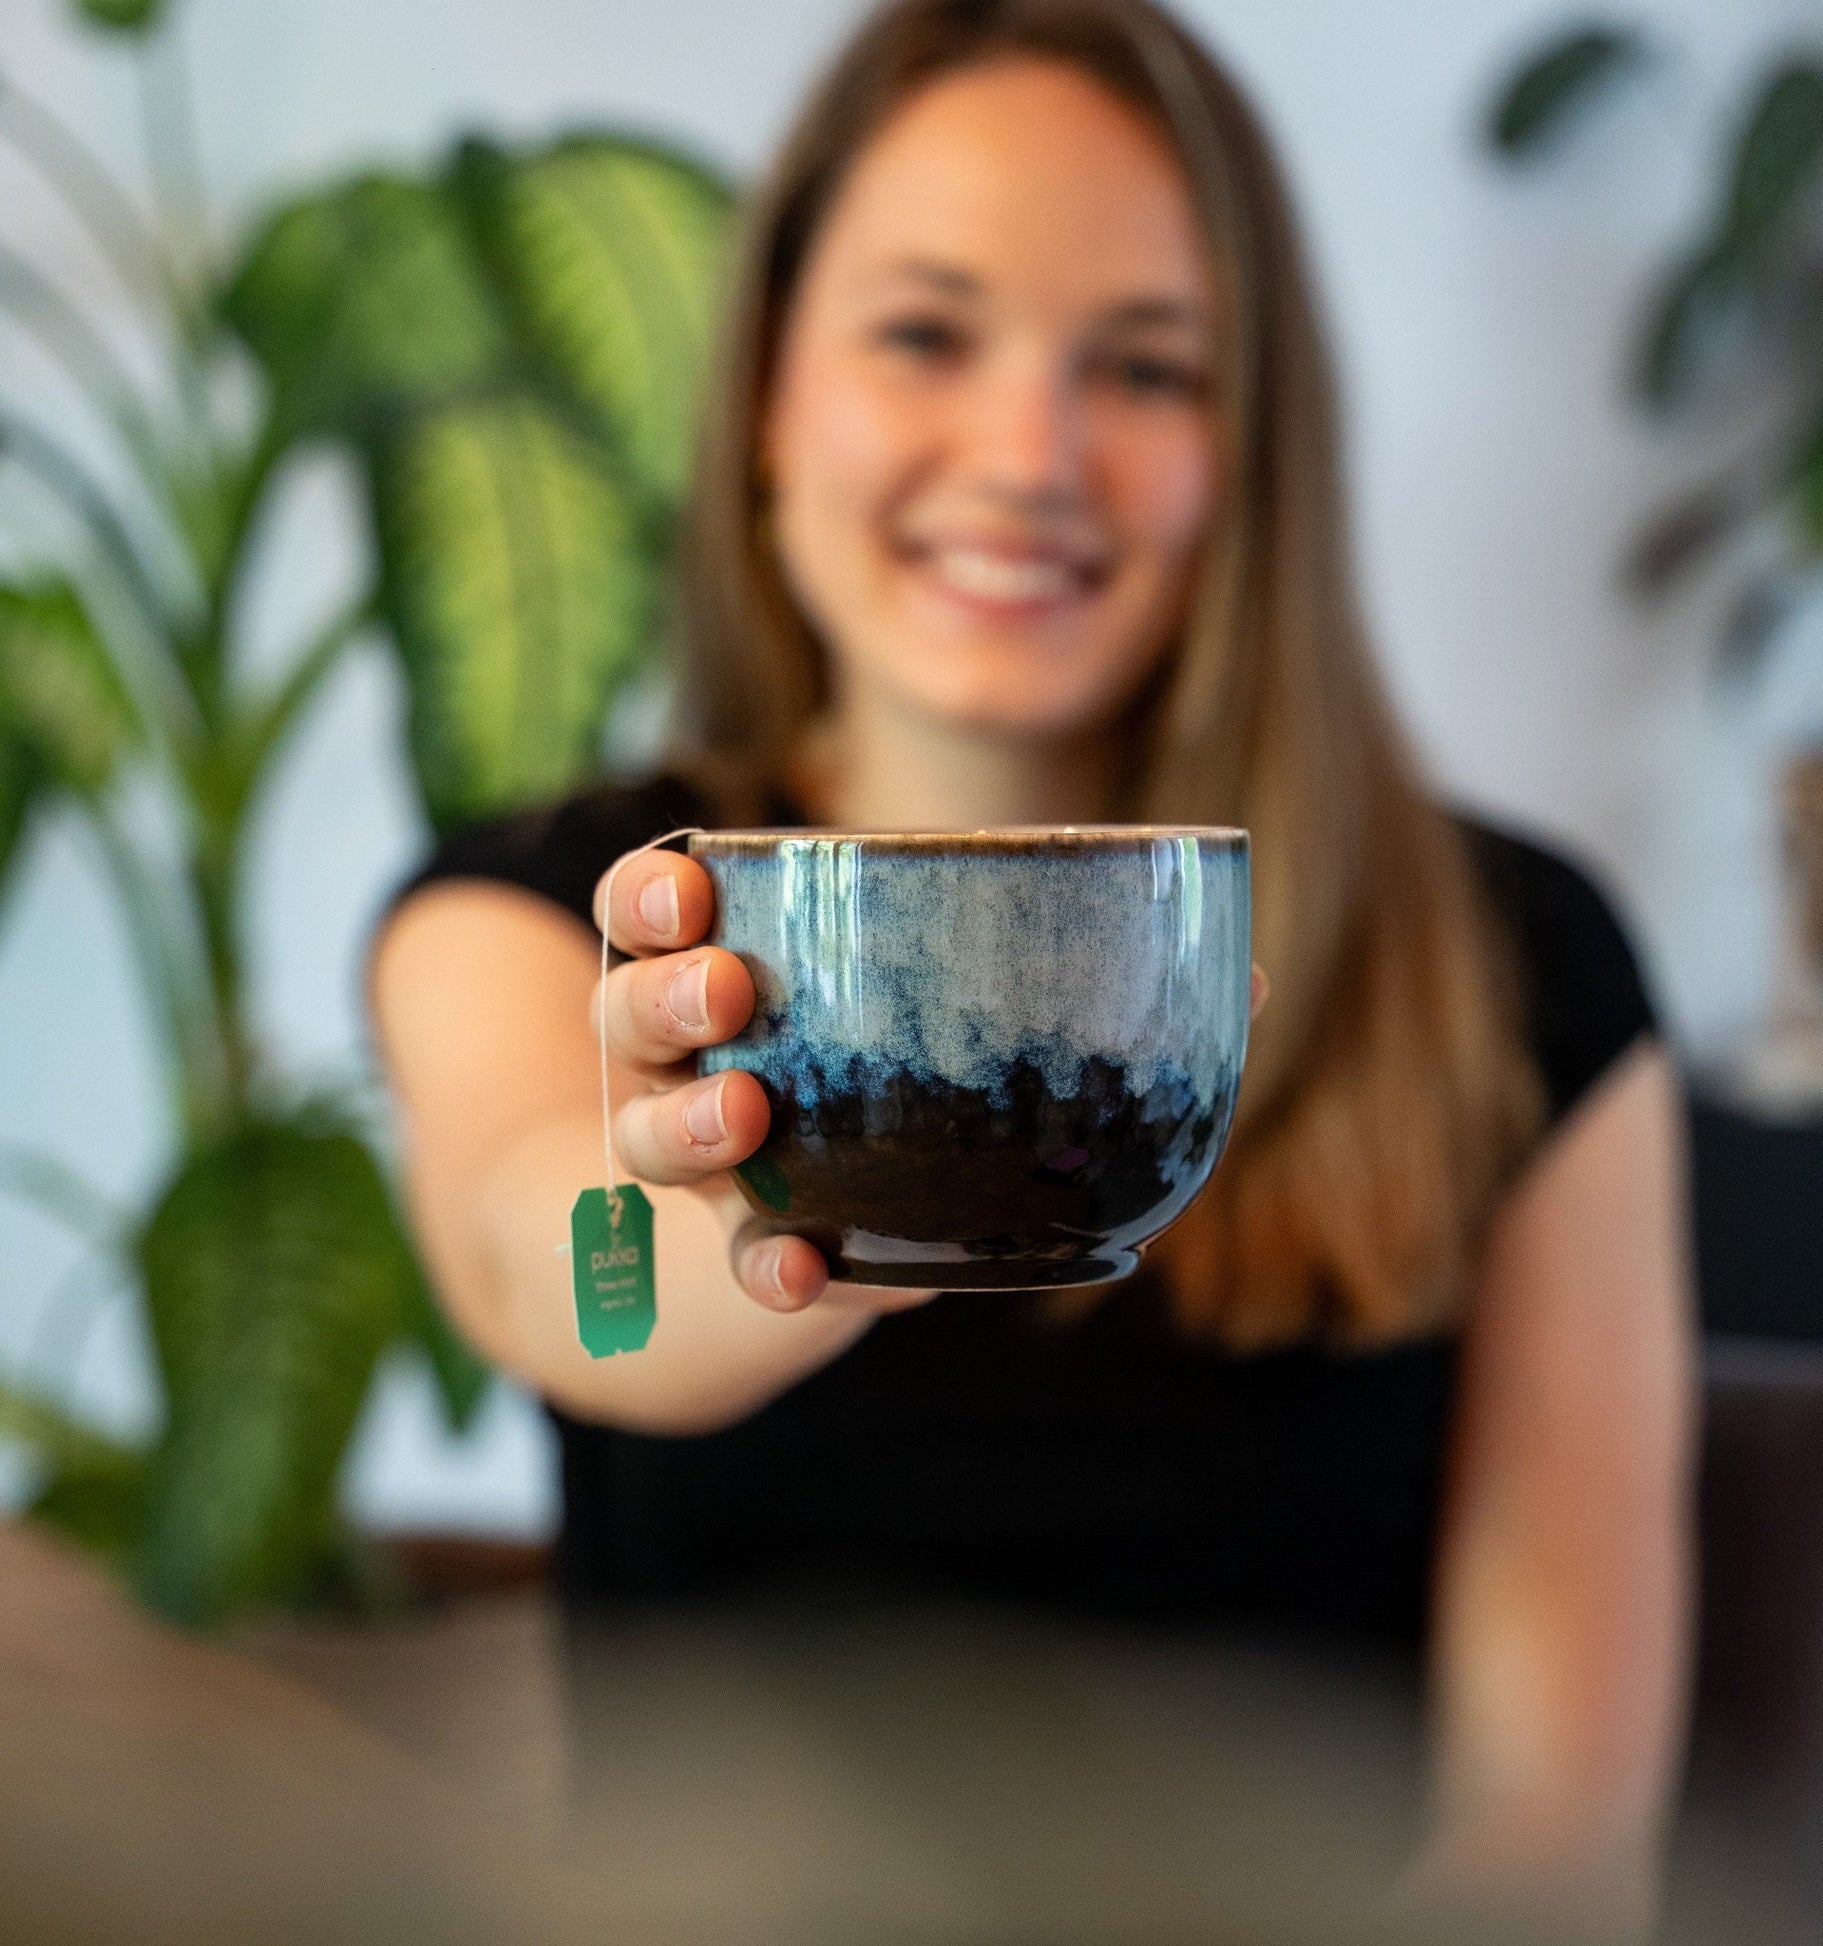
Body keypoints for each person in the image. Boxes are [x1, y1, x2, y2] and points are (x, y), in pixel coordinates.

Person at [367, 0, 1694, 1925]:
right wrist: (795, 1173)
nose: (1030, 451)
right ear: (766, 404)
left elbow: (1553, 1828)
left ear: (1250, 453)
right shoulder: (551, 901)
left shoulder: (1516, 960)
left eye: (1146, 367)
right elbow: (552, 1271)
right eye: (924, 334)